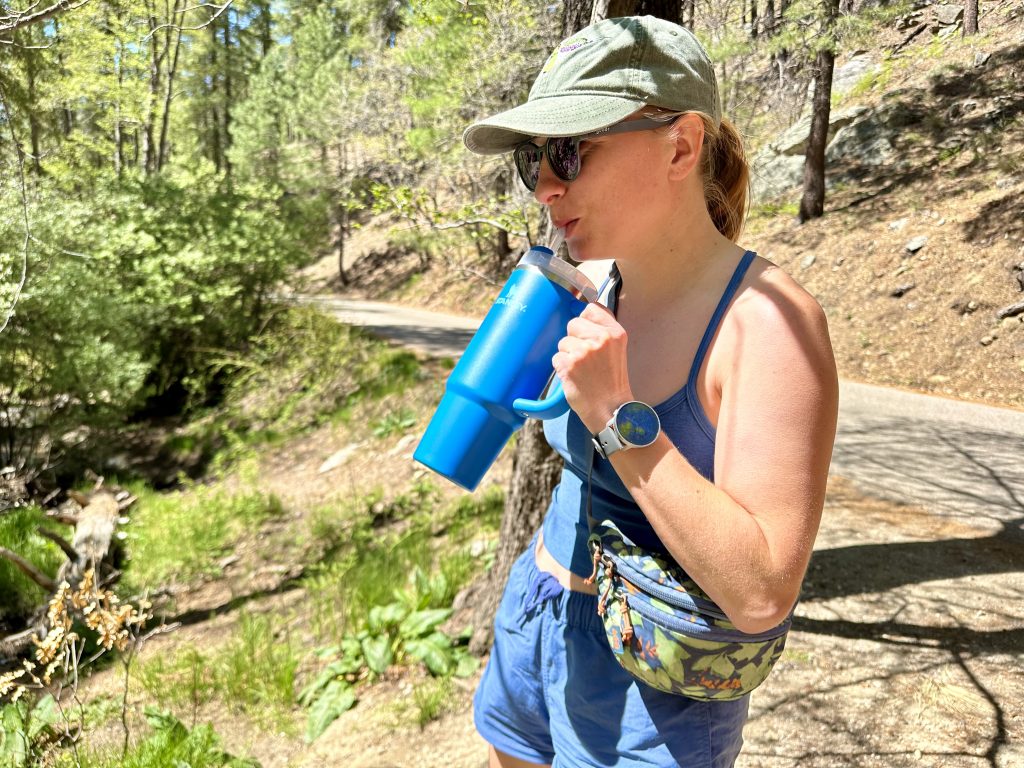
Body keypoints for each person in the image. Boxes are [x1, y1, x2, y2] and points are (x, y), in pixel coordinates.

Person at [462, 15, 839, 768]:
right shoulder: (596, 284)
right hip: (536, 616)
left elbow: (761, 591)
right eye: (532, 160)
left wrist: (613, 413)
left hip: (653, 687)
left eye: (569, 152)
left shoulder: (768, 323)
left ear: (680, 145)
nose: (543, 185)